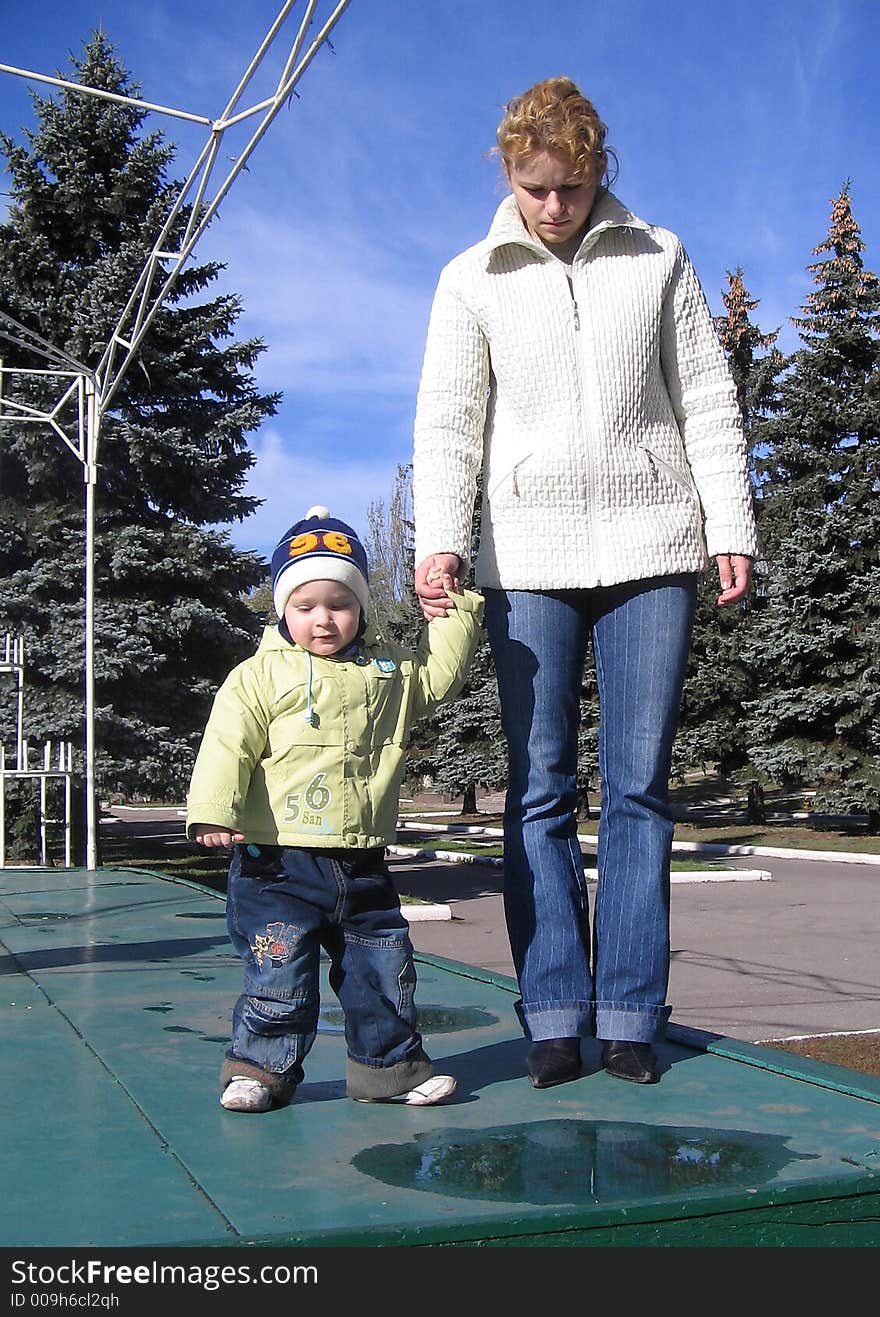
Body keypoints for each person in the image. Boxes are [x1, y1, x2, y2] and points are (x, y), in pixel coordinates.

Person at [411, 77, 758, 1090]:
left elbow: (705, 397)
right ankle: (556, 1010)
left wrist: (729, 522)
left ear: (598, 169)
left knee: (641, 789)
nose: (552, 207)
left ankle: (632, 1015)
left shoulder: (658, 256)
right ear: (508, 174)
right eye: (533, 188)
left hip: (654, 548)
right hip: (527, 561)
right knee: (541, 788)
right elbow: (447, 424)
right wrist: (440, 539)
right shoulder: (469, 278)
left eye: (568, 186)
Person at [186, 505, 483, 1112]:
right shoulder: (258, 676)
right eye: (306, 606)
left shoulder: (385, 674)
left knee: (381, 970)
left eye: (339, 604)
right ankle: (261, 1071)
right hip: (277, 864)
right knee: (279, 972)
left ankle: (389, 1070)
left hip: (361, 864)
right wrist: (214, 811)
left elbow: (440, 679)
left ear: (361, 610)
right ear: (283, 610)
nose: (324, 619)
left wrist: (455, 613)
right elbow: (227, 743)